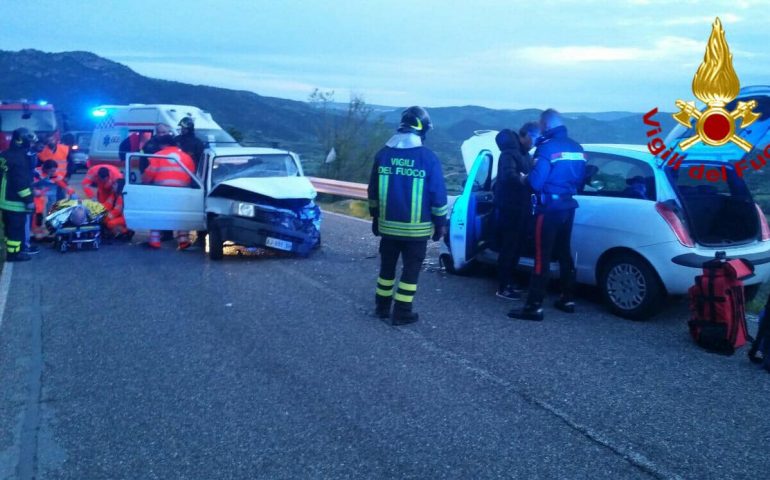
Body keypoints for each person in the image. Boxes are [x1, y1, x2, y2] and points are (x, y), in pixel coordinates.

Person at [367, 106, 448, 325]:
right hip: (416, 232)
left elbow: (372, 191)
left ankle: (381, 307)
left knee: (386, 270)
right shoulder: (428, 158)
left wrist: (375, 217)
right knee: (410, 273)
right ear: (422, 129)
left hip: (388, 229)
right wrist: (440, 224)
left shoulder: (383, 154)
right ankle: (402, 312)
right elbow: (438, 196)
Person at [508, 109, 586, 321]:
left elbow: (535, 182)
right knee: (564, 254)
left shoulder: (547, 148)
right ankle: (567, 299)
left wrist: (524, 178)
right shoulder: (577, 147)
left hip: (548, 210)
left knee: (542, 257)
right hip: (568, 207)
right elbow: (580, 180)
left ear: (547, 125)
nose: (539, 129)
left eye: (541, 126)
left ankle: (534, 307)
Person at [494, 122, 540, 300]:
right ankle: (503, 286)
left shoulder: (524, 154)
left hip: (521, 207)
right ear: (525, 135)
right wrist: (527, 178)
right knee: (509, 247)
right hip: (511, 208)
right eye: (534, 137)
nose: (534, 142)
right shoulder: (509, 154)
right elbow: (509, 177)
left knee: (517, 247)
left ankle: (509, 282)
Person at [142, 136, 195, 250]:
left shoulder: (158, 155)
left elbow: (149, 173)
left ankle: (155, 241)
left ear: (163, 145)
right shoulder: (186, 157)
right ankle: (183, 241)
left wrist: (144, 182)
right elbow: (192, 175)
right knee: (181, 216)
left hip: (161, 190)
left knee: (157, 214)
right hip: (182, 191)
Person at [0, 128, 37, 261]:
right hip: (15, 201)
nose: (31, 145)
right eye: (30, 142)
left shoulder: (5, 154)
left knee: (9, 228)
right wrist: (29, 200)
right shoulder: (21, 158)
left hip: (4, 199)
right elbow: (20, 182)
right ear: (22, 140)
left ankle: (10, 250)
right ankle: (14, 254)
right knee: (16, 229)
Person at [31, 159, 75, 239]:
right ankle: (36, 233)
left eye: (54, 171)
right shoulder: (36, 173)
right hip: (37, 197)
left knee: (51, 212)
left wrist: (72, 193)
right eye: (51, 171)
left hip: (48, 197)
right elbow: (31, 185)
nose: (52, 173)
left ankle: (49, 231)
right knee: (38, 215)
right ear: (45, 169)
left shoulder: (55, 175)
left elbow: (64, 184)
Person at [37, 133, 70, 198]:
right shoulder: (41, 151)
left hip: (61, 178)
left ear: (55, 140)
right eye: (48, 141)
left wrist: (68, 176)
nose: (50, 142)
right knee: (50, 199)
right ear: (46, 142)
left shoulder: (64, 149)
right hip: (48, 180)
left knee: (61, 198)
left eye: (52, 140)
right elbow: (39, 166)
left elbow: (71, 164)